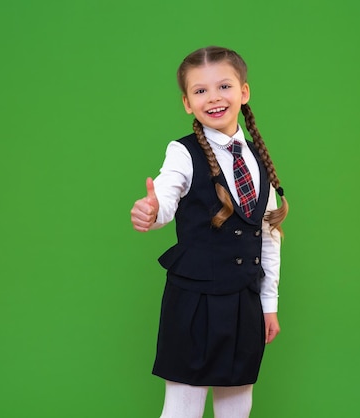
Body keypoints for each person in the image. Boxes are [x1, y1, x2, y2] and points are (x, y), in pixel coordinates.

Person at [130, 46, 289, 418]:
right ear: (187, 102)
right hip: (195, 301)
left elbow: (268, 237)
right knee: (183, 408)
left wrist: (269, 304)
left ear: (243, 92)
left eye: (223, 86)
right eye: (200, 91)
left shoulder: (256, 157)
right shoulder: (182, 153)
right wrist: (152, 212)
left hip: (245, 302)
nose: (213, 97)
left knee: (237, 405)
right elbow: (167, 195)